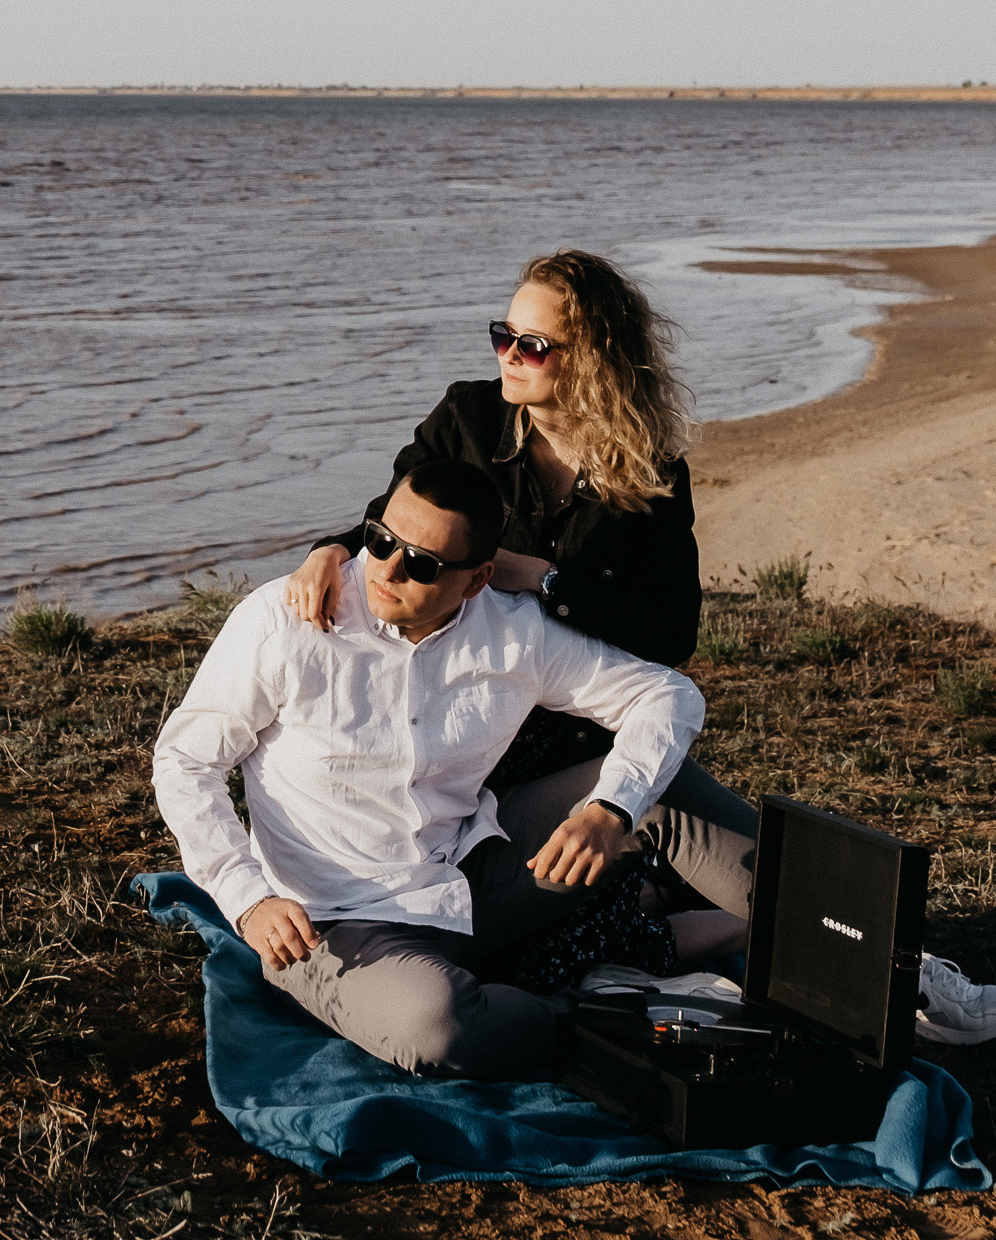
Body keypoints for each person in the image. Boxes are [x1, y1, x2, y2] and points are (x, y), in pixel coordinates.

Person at [151, 452, 706, 1079]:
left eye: (421, 564)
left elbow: (669, 696)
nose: (386, 569)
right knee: (438, 1027)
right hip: (327, 920)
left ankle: (817, 948)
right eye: (381, 541)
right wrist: (247, 899)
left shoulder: (513, 632)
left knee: (663, 793)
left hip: (471, 878)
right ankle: (603, 1019)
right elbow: (185, 762)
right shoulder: (284, 621)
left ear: (476, 580)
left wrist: (610, 810)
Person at [284, 247, 756, 955]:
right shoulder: (467, 419)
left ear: (592, 358)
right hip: (468, 733)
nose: (508, 355)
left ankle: (877, 956)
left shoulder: (650, 471)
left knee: (674, 806)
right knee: (571, 937)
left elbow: (670, 632)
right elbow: (392, 523)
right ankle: (702, 909)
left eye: (531, 345)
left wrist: (546, 579)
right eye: (501, 336)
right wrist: (328, 549)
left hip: (579, 729)